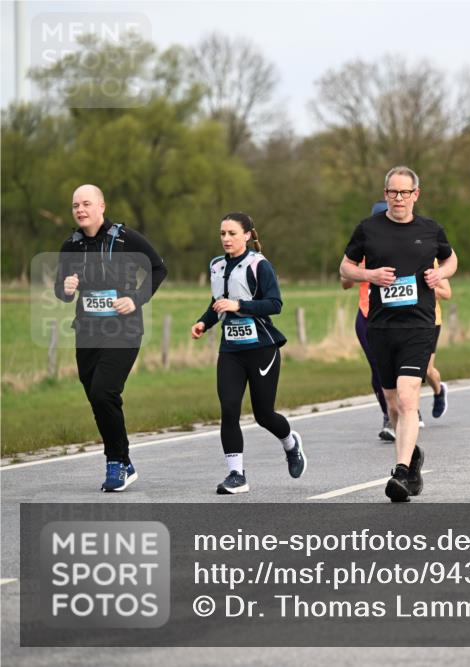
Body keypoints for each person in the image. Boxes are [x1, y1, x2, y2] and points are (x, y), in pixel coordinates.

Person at [340, 166, 457, 502]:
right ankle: (413, 454)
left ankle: (401, 473)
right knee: (392, 402)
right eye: (393, 192)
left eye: (405, 192)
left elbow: (451, 261)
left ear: (415, 195)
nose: (399, 198)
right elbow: (345, 268)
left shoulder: (431, 229)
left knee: (408, 398)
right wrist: (370, 274)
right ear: (385, 193)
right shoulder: (368, 229)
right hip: (380, 326)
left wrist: (440, 276)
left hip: (419, 325)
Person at [55, 184, 167, 492]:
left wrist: (135, 298)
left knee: (105, 391)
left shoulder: (126, 238)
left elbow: (158, 268)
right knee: (96, 396)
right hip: (88, 331)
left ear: (101, 206)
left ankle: (115, 462)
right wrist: (65, 289)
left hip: (124, 330)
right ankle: (124, 459)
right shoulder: (71, 246)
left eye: (86, 203)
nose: (80, 209)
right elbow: (61, 292)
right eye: (75, 205)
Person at [191, 213, 304, 494]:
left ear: (247, 235)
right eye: (222, 234)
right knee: (229, 410)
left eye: (232, 233)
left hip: (262, 349)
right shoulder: (216, 266)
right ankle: (236, 475)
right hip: (231, 350)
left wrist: (238, 305)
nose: (226, 239)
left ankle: (291, 444)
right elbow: (218, 303)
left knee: (263, 415)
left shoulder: (259, 265)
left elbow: (274, 304)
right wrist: (204, 322)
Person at [342, 201, 394, 442]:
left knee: (402, 366)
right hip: (367, 315)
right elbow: (345, 280)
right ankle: (388, 415)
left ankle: (406, 407)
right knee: (378, 367)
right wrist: (362, 272)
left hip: (399, 316)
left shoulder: (404, 245)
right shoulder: (363, 247)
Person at [425, 259, 451, 419]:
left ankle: (439, 391)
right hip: (404, 322)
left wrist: (424, 288)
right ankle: (412, 412)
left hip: (430, 321)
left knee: (426, 370)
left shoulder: (433, 261)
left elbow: (447, 293)